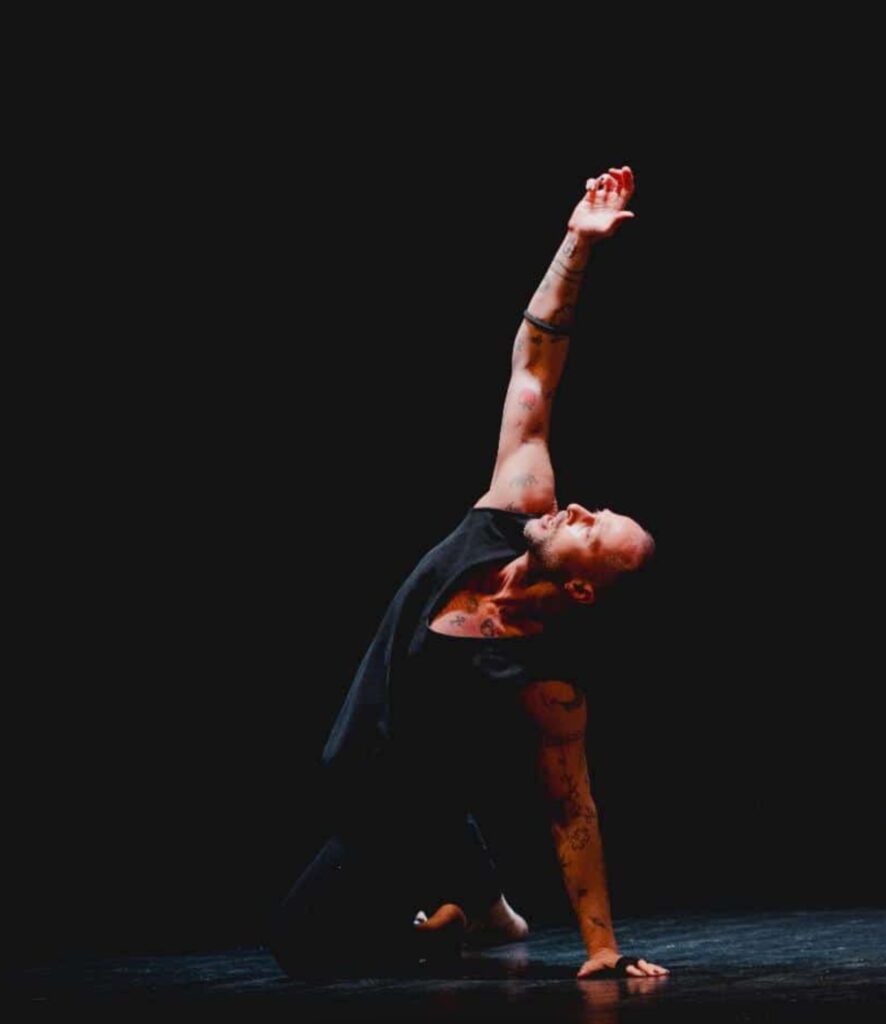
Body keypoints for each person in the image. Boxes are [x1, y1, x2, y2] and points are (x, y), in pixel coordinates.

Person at [268, 165, 670, 982]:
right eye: (594, 508)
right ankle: (486, 905)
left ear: (583, 589)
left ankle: (464, 919)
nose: (578, 508)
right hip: (377, 783)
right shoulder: (510, 508)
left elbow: (572, 812)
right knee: (428, 817)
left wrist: (601, 950)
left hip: (398, 816)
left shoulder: (547, 683)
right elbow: (534, 368)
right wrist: (576, 244)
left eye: (593, 528)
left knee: (299, 945)